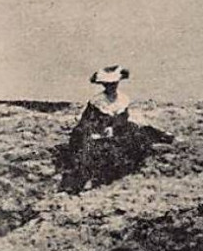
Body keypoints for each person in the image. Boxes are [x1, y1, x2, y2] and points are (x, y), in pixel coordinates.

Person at [56, 65, 171, 193]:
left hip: (117, 134)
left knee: (135, 136)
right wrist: (99, 131)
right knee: (86, 150)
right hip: (98, 136)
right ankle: (80, 182)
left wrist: (114, 128)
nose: (111, 87)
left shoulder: (123, 99)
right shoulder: (97, 102)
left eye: (113, 84)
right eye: (107, 84)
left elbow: (123, 120)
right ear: (103, 85)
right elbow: (87, 122)